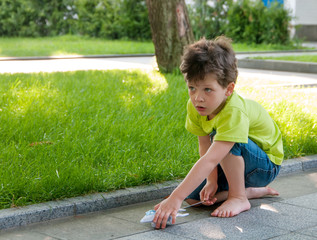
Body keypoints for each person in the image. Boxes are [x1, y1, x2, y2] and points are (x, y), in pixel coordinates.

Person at [152, 36, 284, 229]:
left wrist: (175, 197)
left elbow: (211, 158)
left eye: (207, 89)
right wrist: (211, 180)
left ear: (228, 89)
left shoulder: (233, 111)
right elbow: (204, 146)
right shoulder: (196, 107)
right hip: (235, 162)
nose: (198, 98)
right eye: (192, 88)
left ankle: (238, 197)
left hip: (265, 165)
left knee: (225, 139)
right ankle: (249, 192)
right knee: (194, 198)